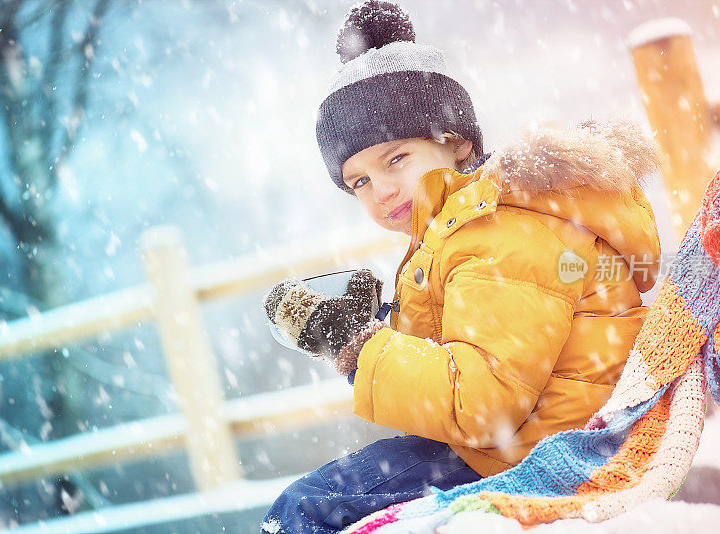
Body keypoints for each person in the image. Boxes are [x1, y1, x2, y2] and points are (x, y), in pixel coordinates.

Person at [261, 1, 661, 532]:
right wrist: (379, 325)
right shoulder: (462, 228)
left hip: (535, 456)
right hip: (521, 442)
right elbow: (479, 344)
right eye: (357, 181)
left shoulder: (498, 230)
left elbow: (482, 404)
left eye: (395, 159)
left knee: (304, 508)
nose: (378, 191)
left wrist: (361, 349)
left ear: (458, 144)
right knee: (327, 493)